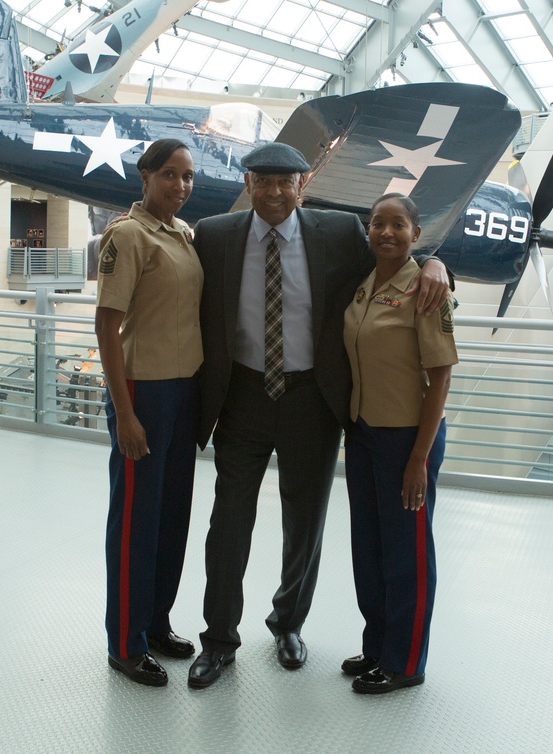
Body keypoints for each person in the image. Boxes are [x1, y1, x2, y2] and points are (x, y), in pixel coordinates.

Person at [187, 142, 451, 688]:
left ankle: (288, 624)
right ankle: (218, 638)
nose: (276, 191)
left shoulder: (337, 232)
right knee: (228, 522)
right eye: (264, 180)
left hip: (314, 400)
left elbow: (395, 258)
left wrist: (436, 263)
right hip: (243, 395)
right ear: (249, 184)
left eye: (287, 181)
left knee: (304, 522)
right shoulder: (213, 236)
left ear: (302, 185)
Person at [94, 139, 202, 687]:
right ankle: (125, 642)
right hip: (143, 392)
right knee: (136, 522)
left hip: (182, 394)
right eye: (169, 175)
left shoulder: (183, 236)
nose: (180, 186)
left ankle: (156, 621)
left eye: (187, 177)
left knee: (171, 516)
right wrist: (124, 411)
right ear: (144, 175)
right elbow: (106, 325)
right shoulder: (128, 235)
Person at [341, 193, 457, 694]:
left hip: (408, 437)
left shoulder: (427, 292)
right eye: (377, 224)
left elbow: (441, 375)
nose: (386, 233)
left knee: (407, 554)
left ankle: (405, 662)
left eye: (398, 225)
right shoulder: (366, 285)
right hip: (365, 432)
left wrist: (417, 459)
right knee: (369, 549)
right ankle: (377, 647)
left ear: (416, 233)